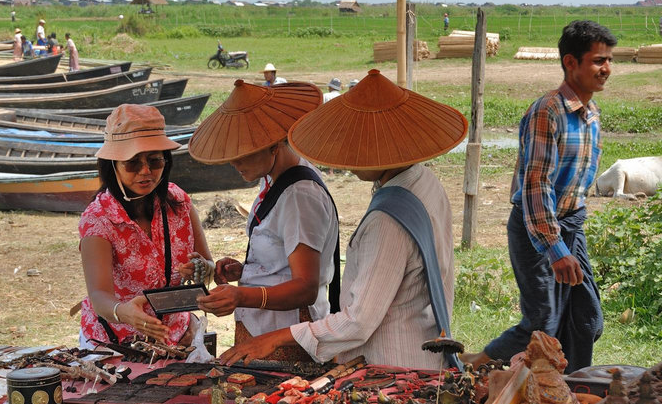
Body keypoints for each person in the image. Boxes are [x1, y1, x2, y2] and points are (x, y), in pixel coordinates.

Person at [219, 69, 468, 368]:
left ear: (382, 148)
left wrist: (276, 337)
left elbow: (358, 321)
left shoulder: (386, 222)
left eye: (356, 145)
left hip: (394, 365)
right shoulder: (424, 181)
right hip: (419, 345)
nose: (347, 156)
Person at [461, 20, 616, 374]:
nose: (606, 69)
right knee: (542, 322)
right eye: (597, 61)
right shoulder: (548, 111)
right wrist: (555, 248)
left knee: (586, 319)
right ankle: (476, 367)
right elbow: (536, 186)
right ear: (570, 63)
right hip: (538, 228)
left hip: (569, 225)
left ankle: (567, 383)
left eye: (608, 60)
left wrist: (569, 240)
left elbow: (575, 184)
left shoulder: (591, 114)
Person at [188, 80, 340, 362]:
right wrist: (245, 271)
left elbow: (306, 286)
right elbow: (283, 259)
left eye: (243, 154)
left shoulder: (299, 196)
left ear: (273, 146)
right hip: (263, 324)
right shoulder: (273, 180)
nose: (235, 164)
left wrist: (241, 297)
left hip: (283, 333)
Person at [78, 104, 212, 349]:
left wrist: (201, 269)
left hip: (178, 336)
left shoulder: (179, 202)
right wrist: (124, 312)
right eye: (132, 163)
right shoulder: (99, 218)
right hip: (115, 342)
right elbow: (99, 295)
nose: (145, 171)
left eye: (155, 161)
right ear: (113, 165)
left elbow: (207, 262)